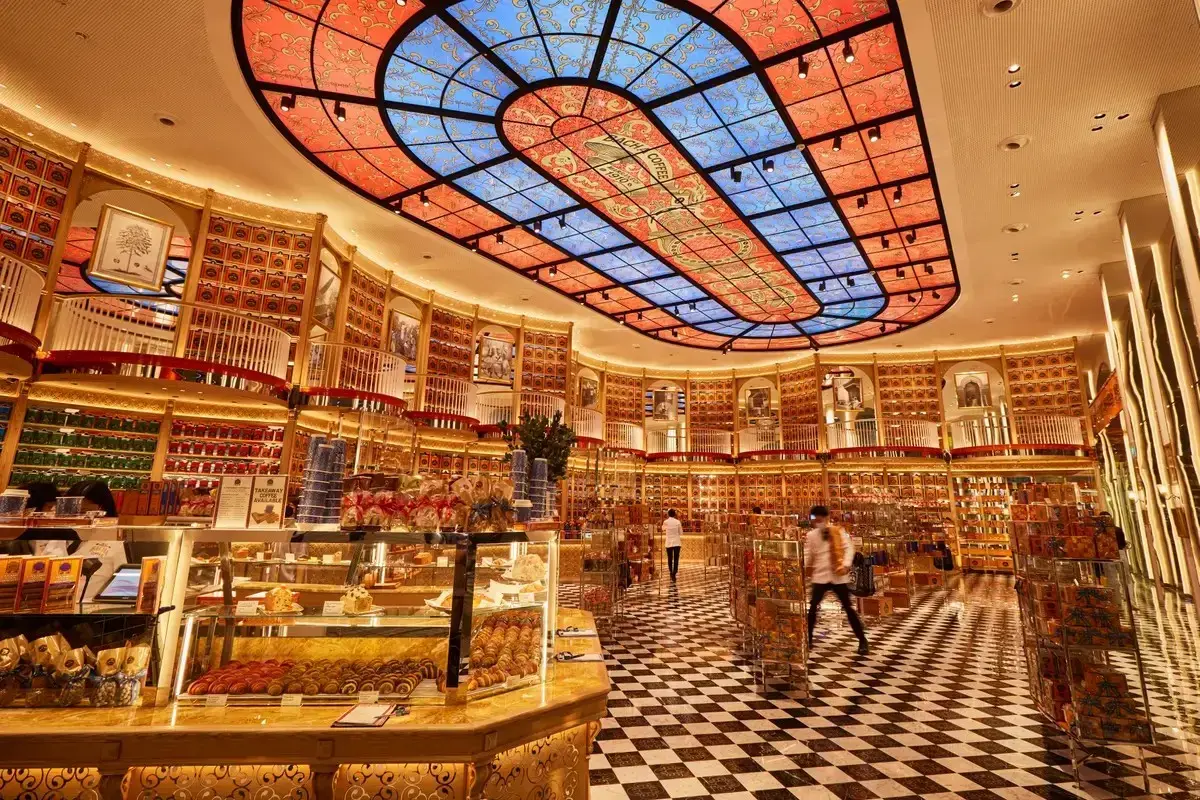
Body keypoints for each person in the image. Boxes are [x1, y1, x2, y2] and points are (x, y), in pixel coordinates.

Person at [805, 505, 869, 656]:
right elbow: (808, 554)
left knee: (848, 608)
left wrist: (846, 565)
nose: (818, 522)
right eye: (815, 519)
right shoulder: (811, 535)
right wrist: (804, 568)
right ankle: (808, 639)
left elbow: (849, 548)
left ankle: (862, 640)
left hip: (838, 576)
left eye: (820, 519)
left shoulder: (839, 531)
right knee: (813, 608)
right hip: (820, 576)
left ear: (826, 518)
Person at [663, 508, 682, 581]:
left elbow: (662, 529)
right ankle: (674, 572)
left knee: (670, 558)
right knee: (676, 558)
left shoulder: (666, 522)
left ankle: (671, 572)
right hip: (677, 542)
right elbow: (681, 533)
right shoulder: (678, 522)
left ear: (668, 514)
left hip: (668, 542)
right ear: (675, 514)